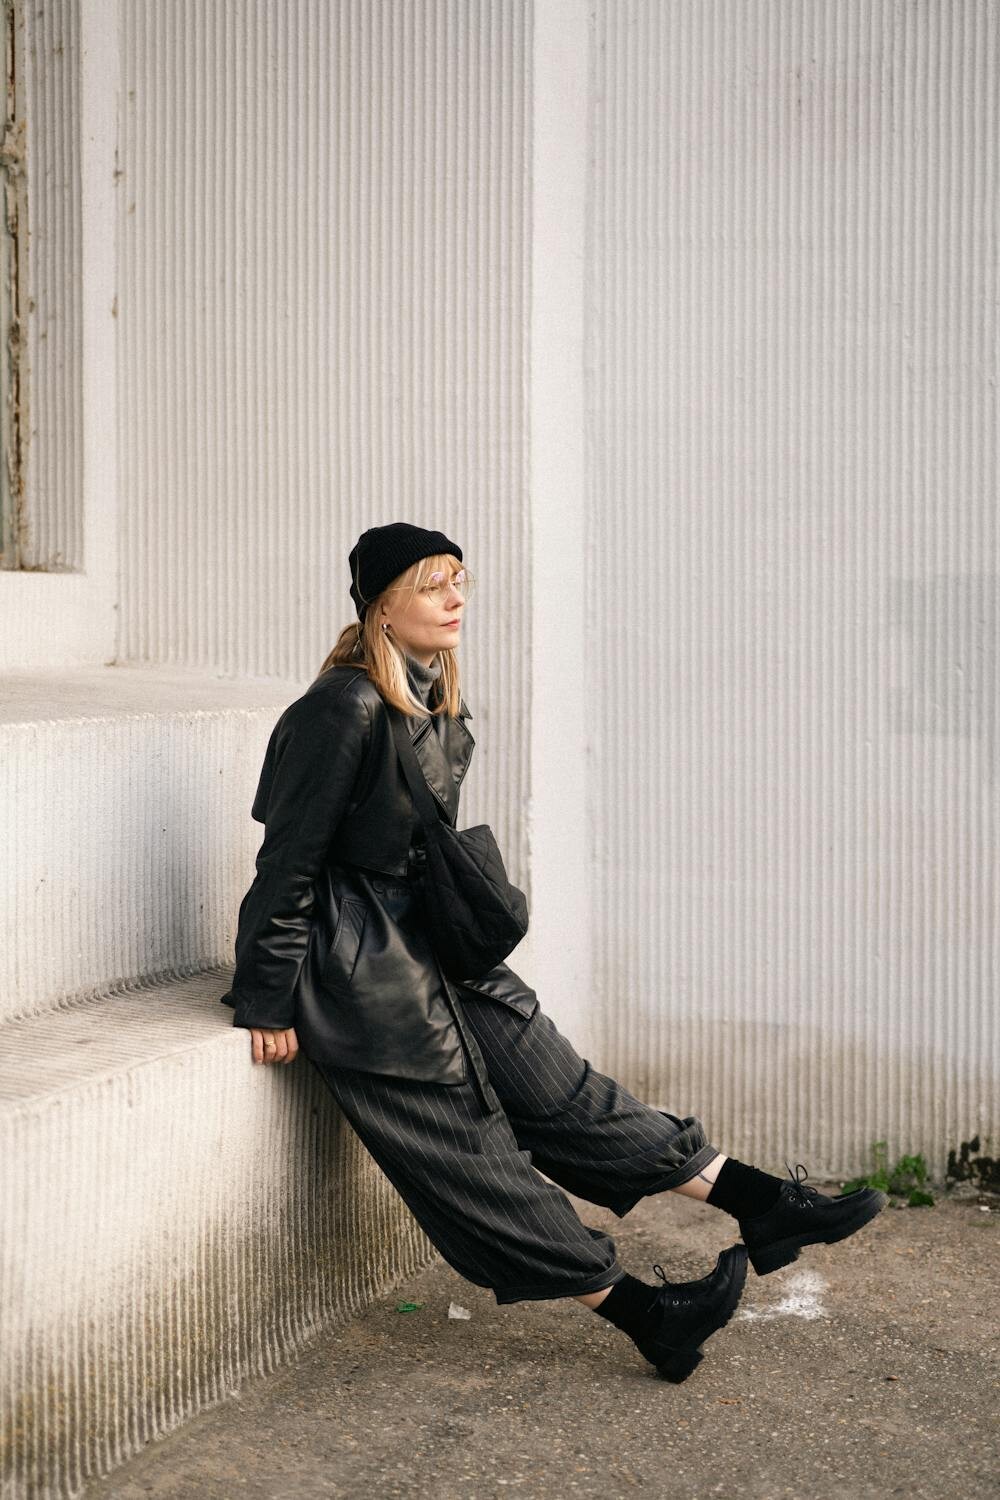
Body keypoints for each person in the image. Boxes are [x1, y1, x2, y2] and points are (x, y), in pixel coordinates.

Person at [220, 522, 886, 1383]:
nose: (456, 599)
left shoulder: (434, 696)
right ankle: (651, 1317)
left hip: (431, 945)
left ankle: (764, 1205)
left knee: (560, 1088)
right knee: (476, 1161)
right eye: (432, 584)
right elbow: (288, 862)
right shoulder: (339, 709)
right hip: (358, 971)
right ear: (383, 606)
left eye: (460, 580)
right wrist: (267, 997)